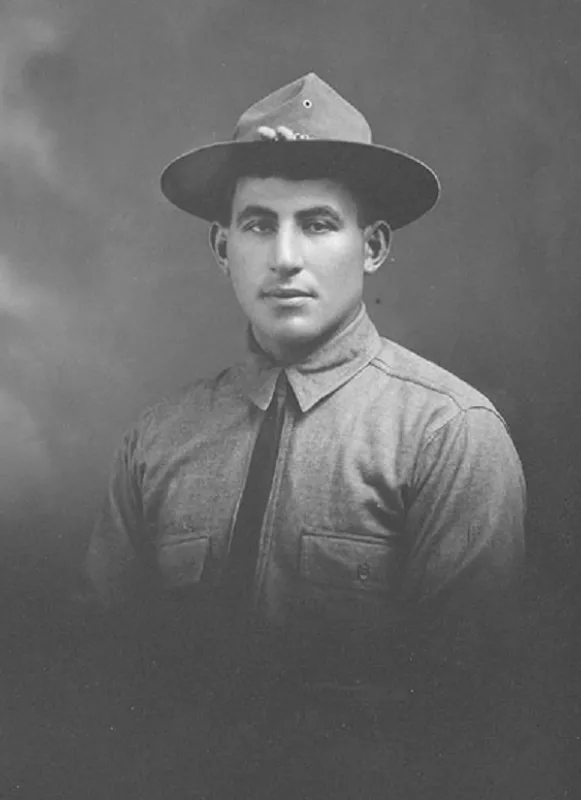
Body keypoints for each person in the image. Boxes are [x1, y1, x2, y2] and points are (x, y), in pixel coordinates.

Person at [83, 73, 526, 793]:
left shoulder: (449, 433)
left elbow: (466, 720)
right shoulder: (156, 441)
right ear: (222, 248)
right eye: (259, 224)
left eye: (317, 223)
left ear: (373, 245)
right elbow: (99, 681)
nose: (284, 257)